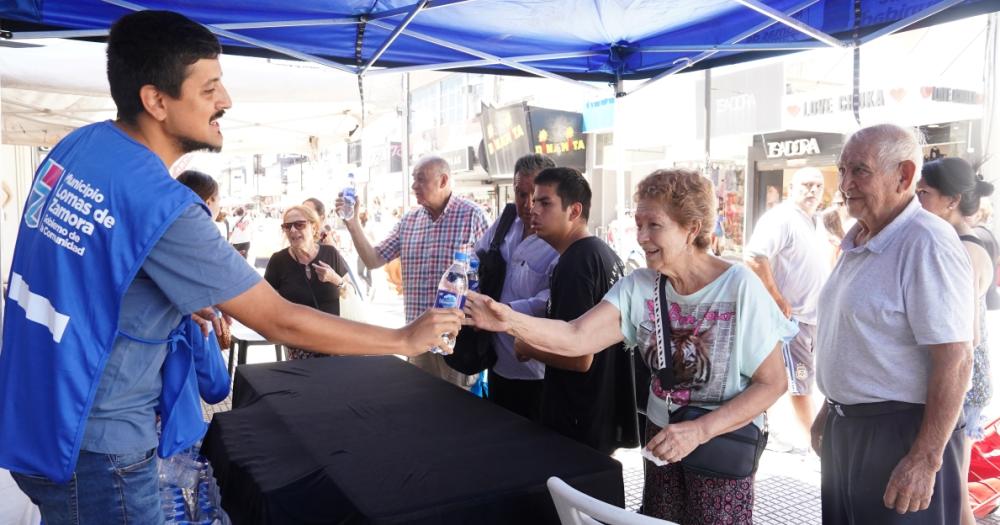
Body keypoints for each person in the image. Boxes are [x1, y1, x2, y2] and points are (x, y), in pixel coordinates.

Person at [0, 12, 461, 525]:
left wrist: (171, 302)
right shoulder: (162, 205)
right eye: (210, 88)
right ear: (156, 100)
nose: (226, 101)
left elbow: (89, 269)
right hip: (99, 446)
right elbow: (277, 319)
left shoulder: (79, 147)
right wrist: (402, 338)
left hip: (34, 413)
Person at [466, 168, 793, 523]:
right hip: (662, 440)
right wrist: (508, 320)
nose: (641, 237)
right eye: (638, 225)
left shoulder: (739, 286)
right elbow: (577, 336)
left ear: (692, 229)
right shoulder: (641, 285)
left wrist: (701, 430)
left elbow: (773, 382)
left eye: (654, 226)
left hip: (721, 444)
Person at [812, 124, 974, 524]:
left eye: (860, 171)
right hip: (850, 429)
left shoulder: (926, 241)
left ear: (904, 176)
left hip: (901, 434)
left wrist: (925, 458)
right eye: (843, 169)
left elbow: (955, 358)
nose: (845, 183)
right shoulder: (860, 238)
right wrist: (829, 408)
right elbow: (857, 338)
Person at [511, 167, 637, 454]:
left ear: (574, 210)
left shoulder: (576, 263)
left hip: (579, 419)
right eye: (532, 201)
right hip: (597, 415)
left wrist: (527, 346)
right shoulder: (599, 253)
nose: (533, 210)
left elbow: (580, 357)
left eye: (545, 202)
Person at [338, 156, 488, 388]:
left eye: (420, 180)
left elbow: (488, 274)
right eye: (413, 180)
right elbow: (373, 259)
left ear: (443, 180)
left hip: (455, 340)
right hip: (416, 338)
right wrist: (353, 223)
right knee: (418, 410)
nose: (413, 187)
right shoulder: (409, 221)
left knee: (457, 412)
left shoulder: (473, 216)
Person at [915, 157, 995, 525]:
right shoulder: (969, 240)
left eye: (924, 193)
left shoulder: (964, 248)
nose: (917, 201)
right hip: (970, 378)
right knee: (954, 484)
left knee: (955, 489)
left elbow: (968, 335)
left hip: (962, 381)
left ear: (952, 200)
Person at [744, 167, 829, 450]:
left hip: (811, 318)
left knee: (786, 381)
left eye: (818, 185)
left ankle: (768, 431)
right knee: (800, 384)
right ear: (791, 188)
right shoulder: (781, 219)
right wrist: (776, 297)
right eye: (806, 184)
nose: (813, 191)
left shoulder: (813, 220)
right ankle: (816, 446)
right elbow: (754, 256)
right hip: (792, 321)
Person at [473, 153, 558, 421]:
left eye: (536, 196)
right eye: (520, 194)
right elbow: (479, 260)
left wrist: (504, 312)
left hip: (537, 368)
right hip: (497, 361)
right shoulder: (507, 221)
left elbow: (553, 299)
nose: (527, 204)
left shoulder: (560, 237)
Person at [265, 205, 352, 360]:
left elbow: (349, 293)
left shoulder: (330, 253)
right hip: (298, 344)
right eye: (287, 226)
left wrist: (335, 279)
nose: (292, 230)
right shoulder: (278, 260)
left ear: (313, 227)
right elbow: (266, 302)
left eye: (299, 224)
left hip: (334, 341)